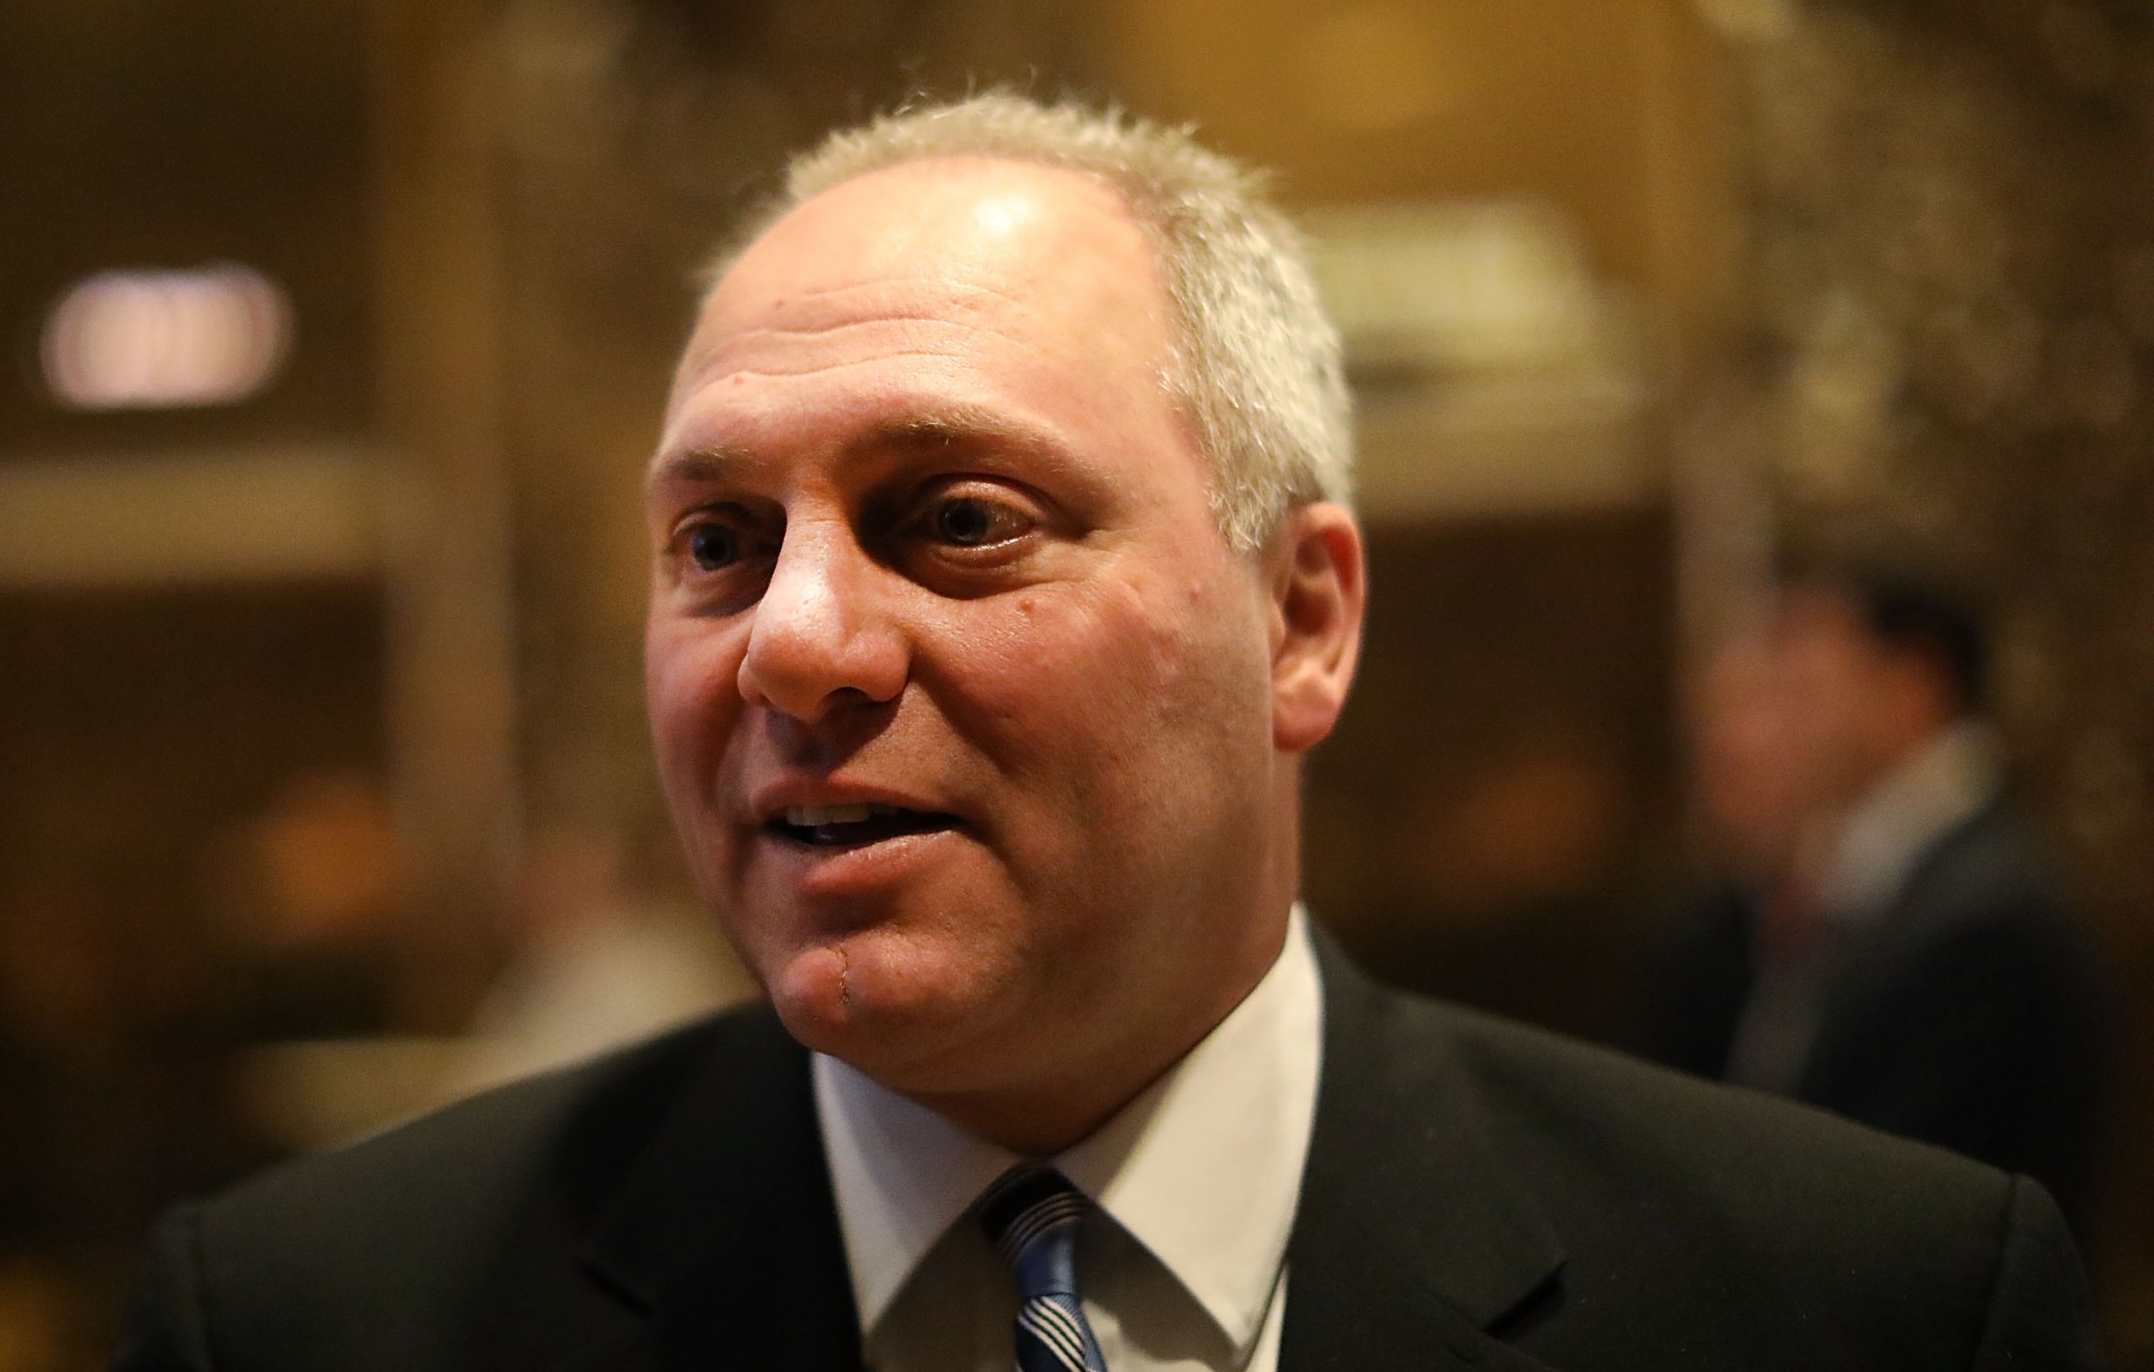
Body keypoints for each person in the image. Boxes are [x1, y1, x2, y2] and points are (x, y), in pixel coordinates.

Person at [113, 95, 2096, 1371]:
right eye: (715, 543)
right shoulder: (310, 1324)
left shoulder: (1856, 1309)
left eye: (955, 520)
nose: (790, 641)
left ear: (1297, 617)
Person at [1645, 560, 2109, 1226]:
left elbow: (1899, 1215)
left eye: (1796, 687)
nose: (1747, 730)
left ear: (1910, 685)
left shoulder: (1988, 928)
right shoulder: (1798, 894)